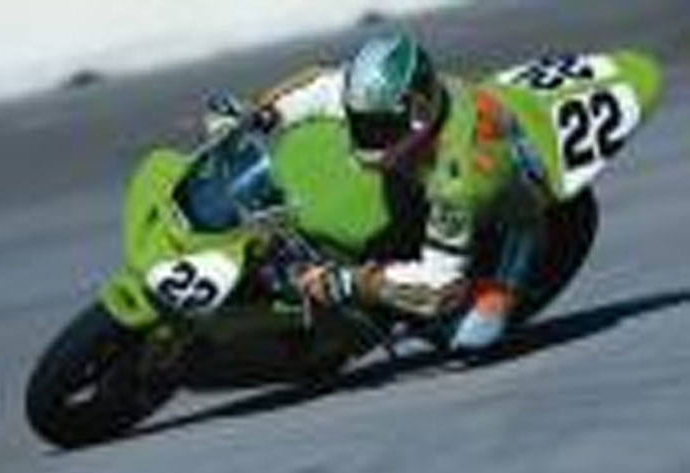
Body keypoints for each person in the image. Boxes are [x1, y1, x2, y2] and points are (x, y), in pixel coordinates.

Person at [205, 33, 549, 357]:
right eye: (361, 122)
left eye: (378, 127)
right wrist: (257, 116)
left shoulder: (456, 180)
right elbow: (321, 87)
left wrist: (349, 283)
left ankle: (491, 290)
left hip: (512, 218)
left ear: (419, 116)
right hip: (426, 175)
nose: (364, 135)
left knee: (472, 332)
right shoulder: (391, 98)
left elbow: (440, 286)